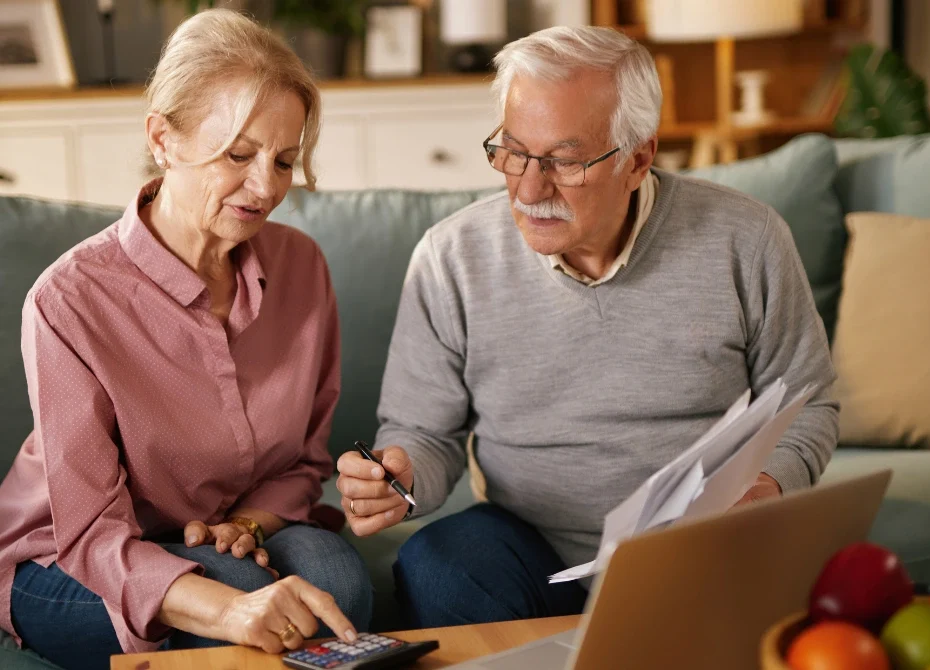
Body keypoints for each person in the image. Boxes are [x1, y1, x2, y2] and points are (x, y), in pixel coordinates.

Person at [336, 26, 839, 628]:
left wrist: (766, 487)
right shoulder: (452, 257)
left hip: (696, 542)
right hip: (529, 544)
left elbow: (809, 404)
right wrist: (400, 473)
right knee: (439, 567)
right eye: (513, 151)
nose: (528, 187)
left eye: (565, 162)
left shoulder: (746, 239)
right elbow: (423, 431)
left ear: (639, 158)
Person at [0, 10, 372, 669]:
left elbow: (304, 464)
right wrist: (230, 609)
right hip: (70, 555)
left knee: (336, 585)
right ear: (163, 139)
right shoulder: (70, 300)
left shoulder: (303, 268)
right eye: (237, 155)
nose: (266, 187)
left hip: (226, 530)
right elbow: (90, 532)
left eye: (284, 160)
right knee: (246, 598)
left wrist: (251, 523)